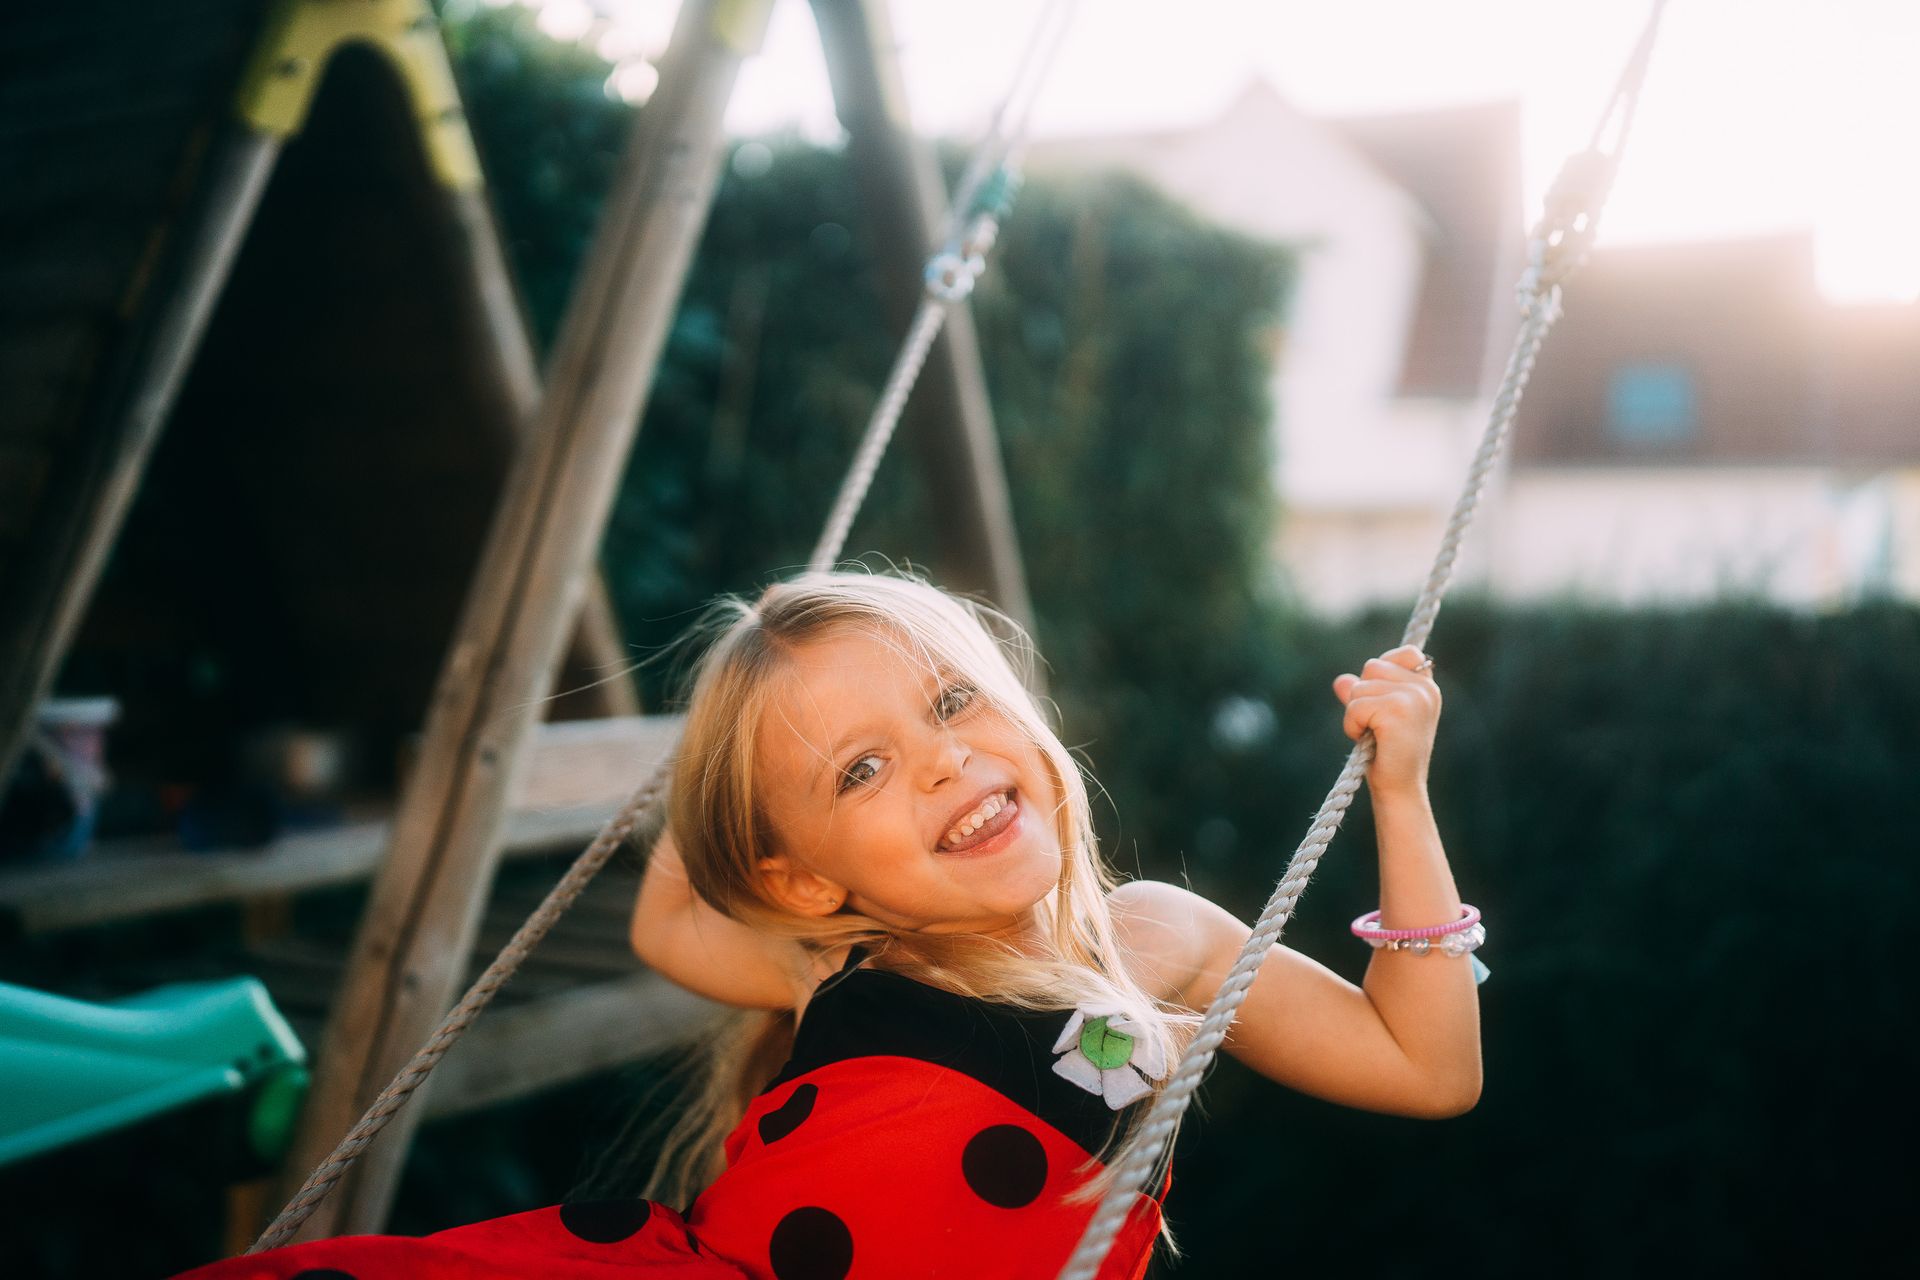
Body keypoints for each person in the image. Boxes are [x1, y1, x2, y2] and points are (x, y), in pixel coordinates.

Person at [172, 570, 1482, 1280]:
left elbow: (1426, 1068)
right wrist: (723, 748)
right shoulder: (836, 965)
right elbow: (668, 928)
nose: (939, 762)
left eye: (954, 703)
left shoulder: (1163, 943)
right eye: (859, 770)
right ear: (805, 879)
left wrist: (1403, 798)